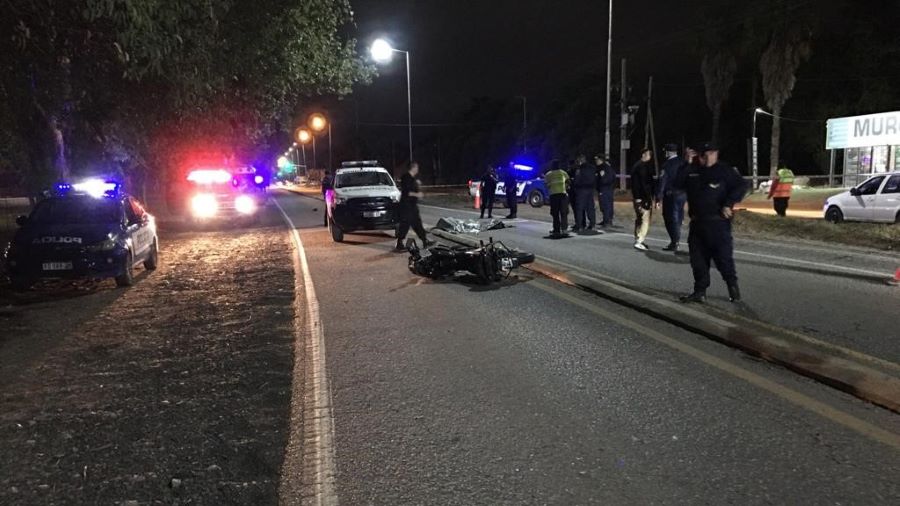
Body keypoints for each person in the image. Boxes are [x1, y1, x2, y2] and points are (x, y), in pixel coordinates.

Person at [679, 142, 748, 303]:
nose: (708, 157)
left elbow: (741, 186)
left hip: (718, 224)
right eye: (705, 154)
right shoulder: (693, 171)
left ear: (716, 154)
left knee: (723, 259)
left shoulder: (724, 171)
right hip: (698, 223)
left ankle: (732, 286)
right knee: (698, 260)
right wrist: (686, 163)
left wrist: (728, 203)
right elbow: (677, 183)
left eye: (712, 153)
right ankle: (700, 291)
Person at [655, 144, 689, 250]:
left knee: (670, 218)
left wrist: (658, 197)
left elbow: (662, 181)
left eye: (665, 151)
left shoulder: (667, 164)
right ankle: (676, 240)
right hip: (682, 194)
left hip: (671, 195)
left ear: (668, 152)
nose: (664, 153)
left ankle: (675, 242)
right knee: (678, 217)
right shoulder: (683, 162)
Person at [396, 161, 433, 251]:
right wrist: (417, 194)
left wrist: (417, 185)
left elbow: (413, 189)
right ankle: (399, 244)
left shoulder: (412, 179)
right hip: (406, 206)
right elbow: (406, 192)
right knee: (405, 224)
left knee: (417, 224)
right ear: (413, 168)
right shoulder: (406, 177)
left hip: (412, 205)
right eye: (417, 167)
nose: (418, 169)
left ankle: (425, 241)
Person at [630, 148, 656, 250]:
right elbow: (641, 184)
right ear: (644, 155)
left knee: (639, 218)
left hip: (639, 197)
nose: (650, 157)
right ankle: (639, 240)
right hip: (642, 197)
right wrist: (641, 197)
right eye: (649, 155)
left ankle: (638, 238)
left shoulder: (637, 166)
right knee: (645, 219)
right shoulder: (641, 167)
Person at [543, 159, 570, 236]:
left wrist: (550, 187)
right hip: (563, 195)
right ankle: (564, 230)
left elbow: (546, 185)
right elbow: (568, 182)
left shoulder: (548, 174)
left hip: (554, 195)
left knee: (555, 214)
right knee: (564, 213)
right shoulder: (563, 173)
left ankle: (556, 230)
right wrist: (566, 188)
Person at [572, 154, 597, 232]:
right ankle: (592, 224)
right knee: (590, 208)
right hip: (590, 190)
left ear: (580, 161)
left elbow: (577, 180)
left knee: (579, 208)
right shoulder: (593, 168)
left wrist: (575, 186)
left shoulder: (579, 169)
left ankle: (579, 226)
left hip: (581, 190)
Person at [595, 154, 617, 228]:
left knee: (605, 205)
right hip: (608, 189)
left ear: (601, 160)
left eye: (597, 160)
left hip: (604, 189)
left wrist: (600, 186)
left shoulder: (603, 168)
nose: (596, 161)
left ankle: (607, 221)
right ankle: (607, 220)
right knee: (607, 205)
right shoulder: (607, 167)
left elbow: (604, 180)